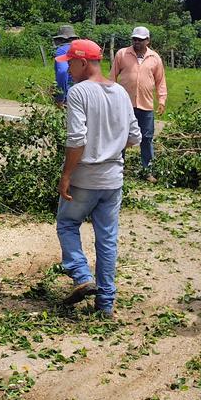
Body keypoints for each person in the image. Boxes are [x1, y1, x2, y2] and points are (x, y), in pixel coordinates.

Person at [55, 38, 141, 317]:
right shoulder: (120, 92)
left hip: (85, 178)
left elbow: (77, 138)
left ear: (82, 63)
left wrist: (66, 175)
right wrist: (110, 146)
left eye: (70, 64)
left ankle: (81, 277)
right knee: (107, 240)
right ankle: (105, 305)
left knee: (67, 224)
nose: (68, 70)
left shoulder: (79, 93)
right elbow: (134, 137)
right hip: (113, 180)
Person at [110, 26, 167, 178]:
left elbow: (160, 81)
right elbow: (112, 77)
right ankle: (117, 169)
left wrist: (161, 100)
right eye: (134, 39)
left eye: (140, 40)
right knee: (121, 136)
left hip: (146, 105)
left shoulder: (154, 58)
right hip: (124, 104)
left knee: (147, 138)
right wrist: (109, 98)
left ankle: (147, 171)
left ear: (147, 41)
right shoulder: (122, 54)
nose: (137, 42)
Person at [51, 25, 77, 107]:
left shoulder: (61, 51)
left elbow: (62, 72)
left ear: (61, 39)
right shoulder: (81, 50)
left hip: (70, 97)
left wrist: (60, 97)